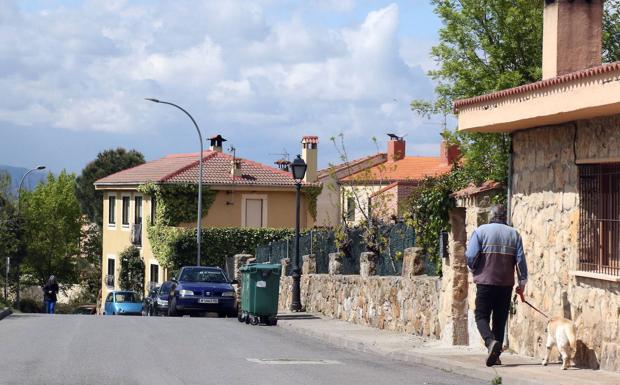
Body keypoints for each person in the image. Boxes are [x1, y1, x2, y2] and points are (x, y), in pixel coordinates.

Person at [465, 204, 528, 367]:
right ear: (504, 217)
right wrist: (522, 284)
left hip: (485, 282)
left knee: (480, 316)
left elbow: (471, 257)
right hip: (505, 284)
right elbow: (520, 261)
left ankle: (490, 342)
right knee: (500, 320)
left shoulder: (480, 231)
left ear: (491, 215)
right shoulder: (514, 234)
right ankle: (496, 356)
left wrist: (474, 269)